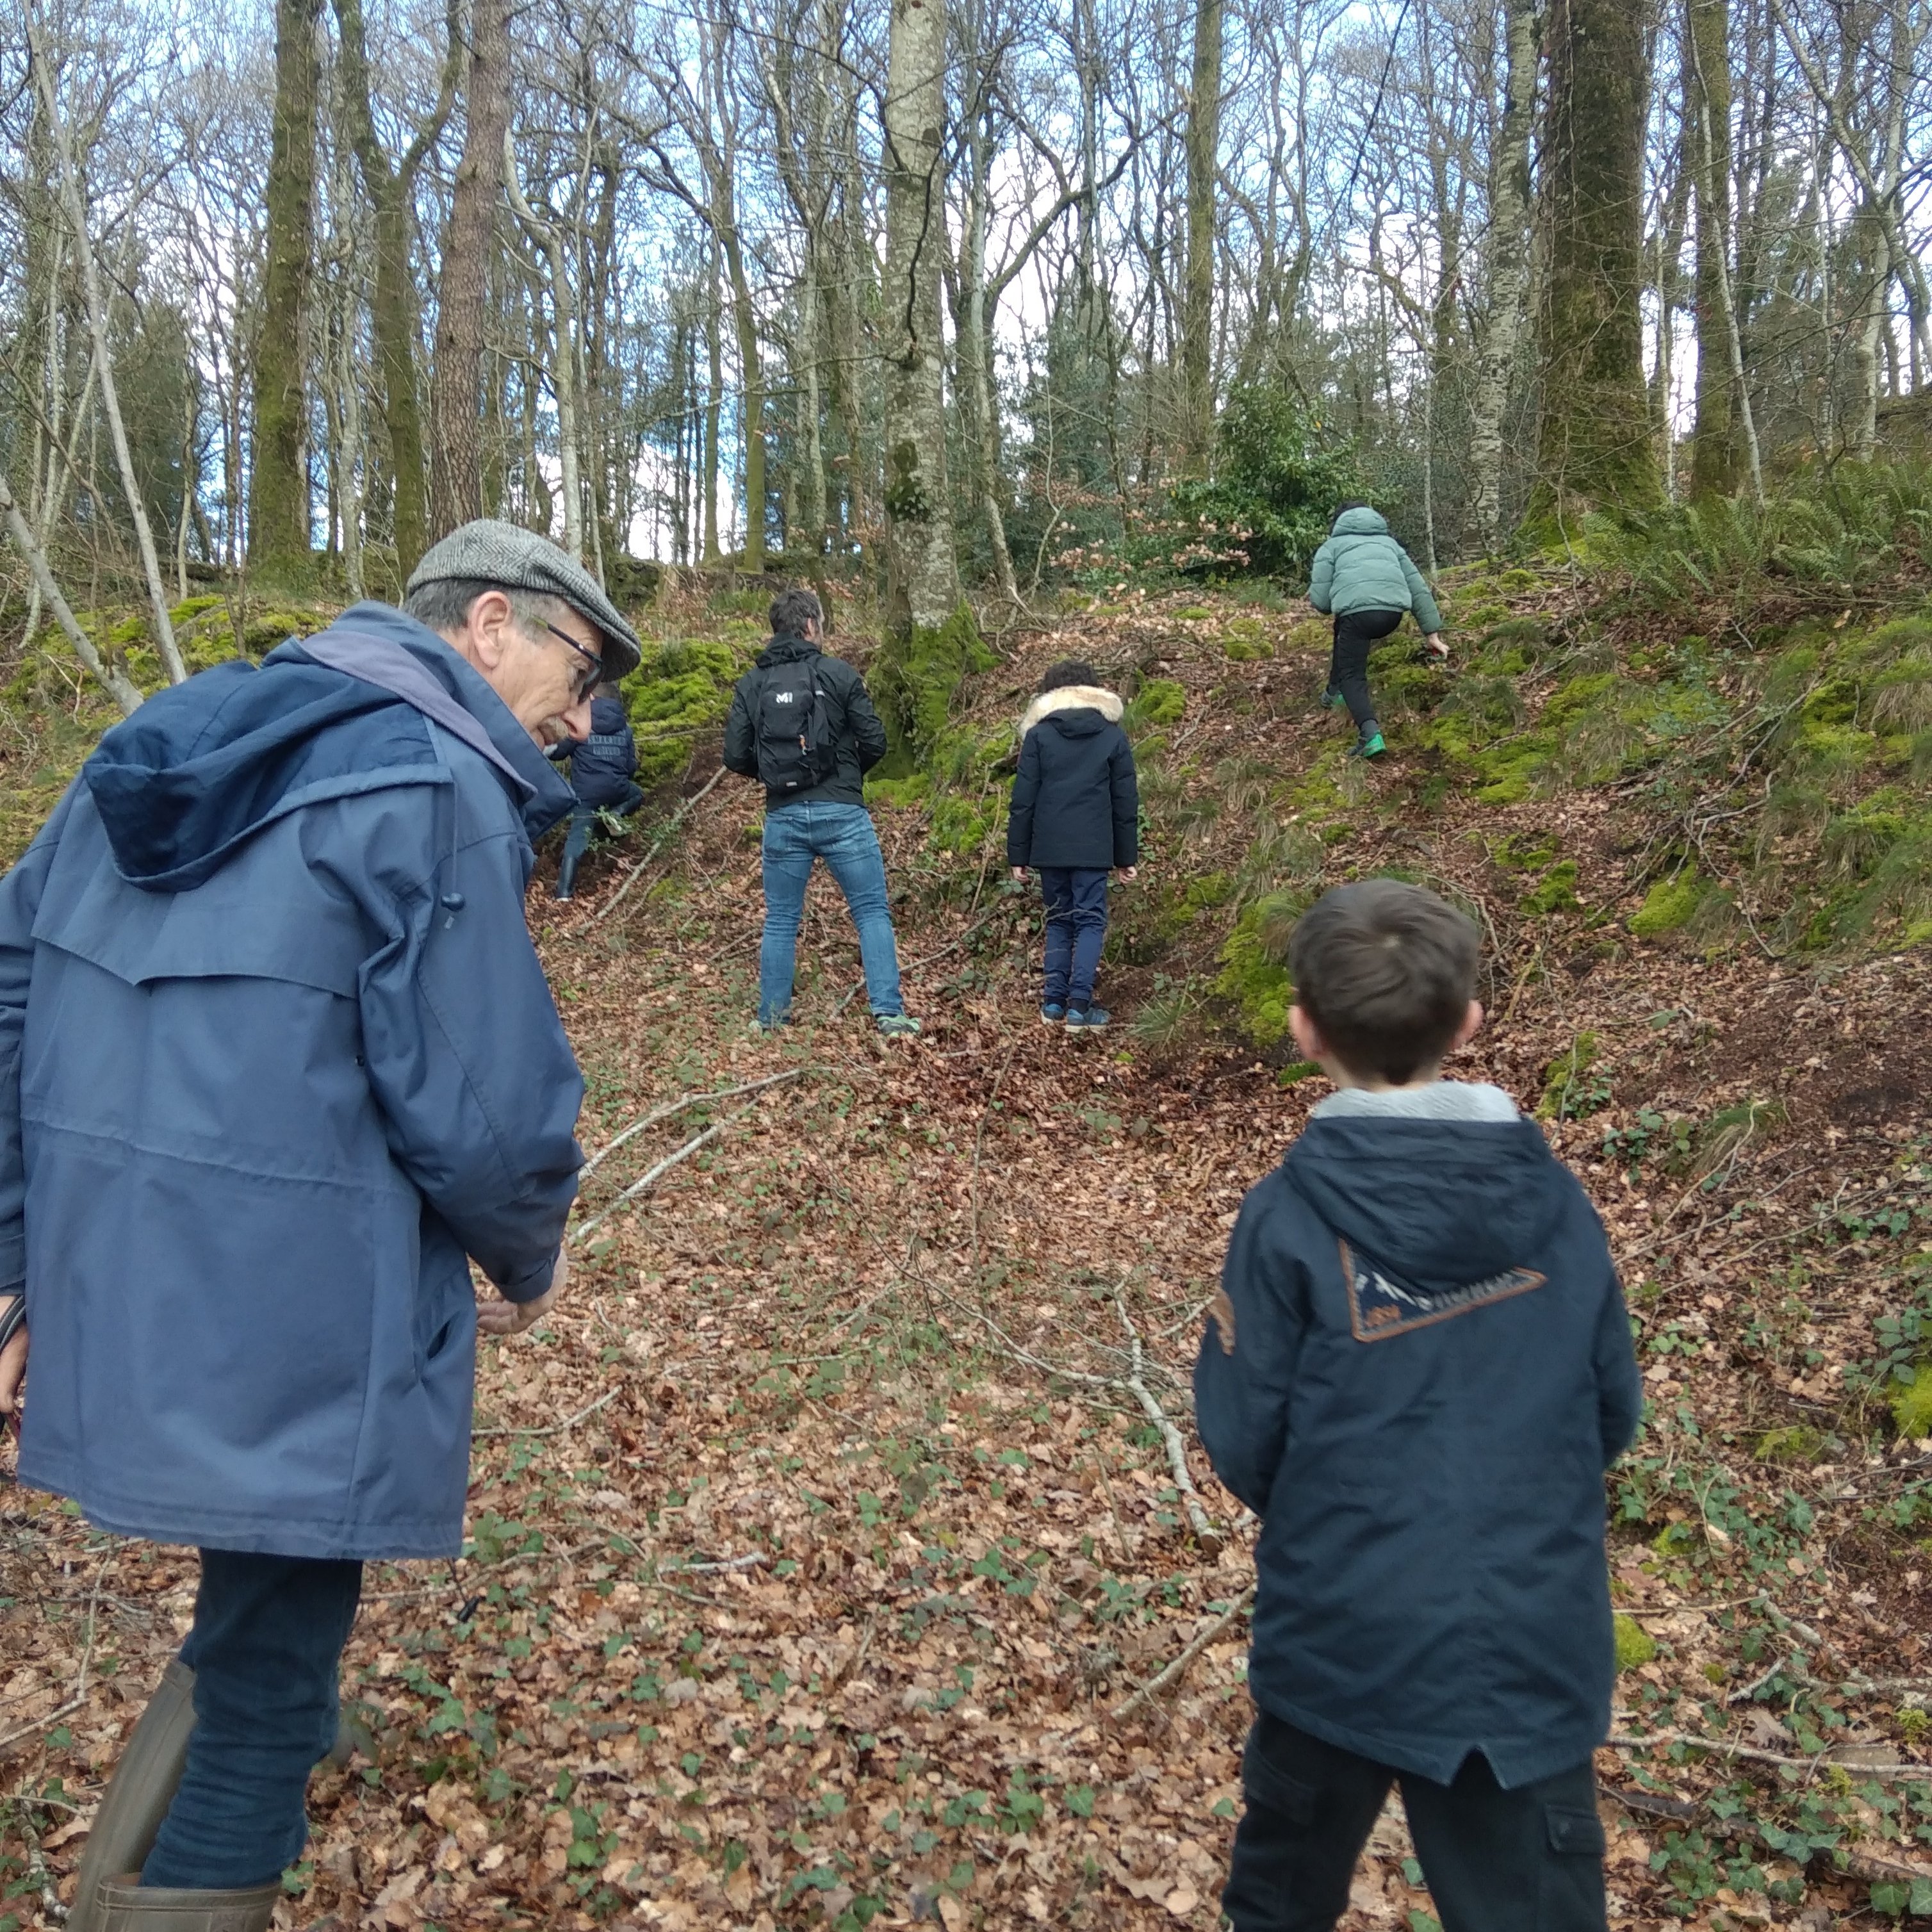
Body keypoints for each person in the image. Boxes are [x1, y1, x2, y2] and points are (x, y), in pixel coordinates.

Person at [0, 520, 643, 1932]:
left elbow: (13, 975)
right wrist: (530, 1248)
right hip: (299, 1314)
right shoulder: (434, 780)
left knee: (259, 1623)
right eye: (582, 668)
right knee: (270, 1679)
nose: (586, 717)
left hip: (121, 1277)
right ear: (487, 623)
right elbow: (485, 1101)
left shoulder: (168, 728)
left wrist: (18, 1259)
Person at [1195, 879, 1641, 1932]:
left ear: (1303, 1028)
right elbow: (1608, 1410)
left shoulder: (1285, 1215)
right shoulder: (1559, 1208)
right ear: (1470, 1022)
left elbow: (1243, 1432)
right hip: (1533, 1639)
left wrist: (1342, 1516)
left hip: (1340, 1626)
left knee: (1278, 1903)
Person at [721, 586, 919, 1038]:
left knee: (781, 919)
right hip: (844, 812)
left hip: (783, 816)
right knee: (871, 911)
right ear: (811, 626)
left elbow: (734, 755)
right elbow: (875, 741)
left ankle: (771, 1019)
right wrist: (845, 777)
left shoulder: (753, 683)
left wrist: (775, 777)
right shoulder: (839, 673)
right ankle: (888, 1014)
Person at [1005, 659, 1139, 1030]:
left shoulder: (1039, 736)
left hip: (1049, 848)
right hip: (1094, 848)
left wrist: (1018, 854)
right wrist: (1126, 856)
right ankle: (1080, 1006)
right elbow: (1125, 801)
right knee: (1091, 921)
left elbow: (1024, 800)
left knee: (1060, 921)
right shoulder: (1112, 736)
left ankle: (1052, 1004)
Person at [1306, 502, 1448, 760]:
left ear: (1338, 523)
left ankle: (1370, 735)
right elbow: (1418, 588)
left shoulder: (1332, 547)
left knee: (1354, 675)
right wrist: (1432, 634)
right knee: (1342, 629)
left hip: (1358, 618)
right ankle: (1334, 691)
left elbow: (1322, 602)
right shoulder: (1390, 545)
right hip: (1392, 615)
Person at [555, 678, 643, 899]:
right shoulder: (625, 728)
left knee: (577, 839)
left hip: (586, 795)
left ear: (591, 697)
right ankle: (616, 813)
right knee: (637, 794)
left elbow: (559, 753)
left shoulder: (582, 725)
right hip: (617, 790)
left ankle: (564, 893)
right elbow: (631, 767)